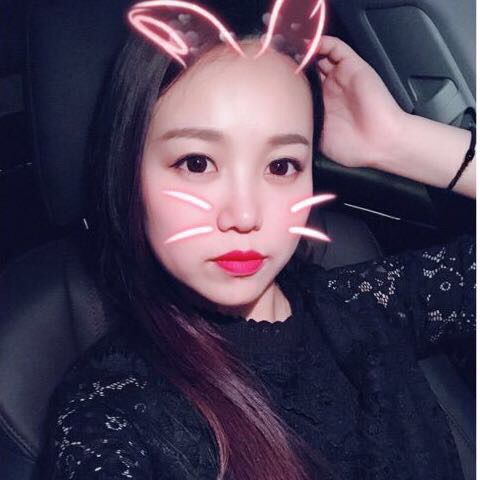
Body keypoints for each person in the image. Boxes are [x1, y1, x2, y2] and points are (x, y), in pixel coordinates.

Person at [36, 2, 475, 479]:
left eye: (281, 166)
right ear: (128, 173)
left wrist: (397, 141)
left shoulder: (362, 307)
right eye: (197, 163)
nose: (245, 216)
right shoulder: (111, 411)